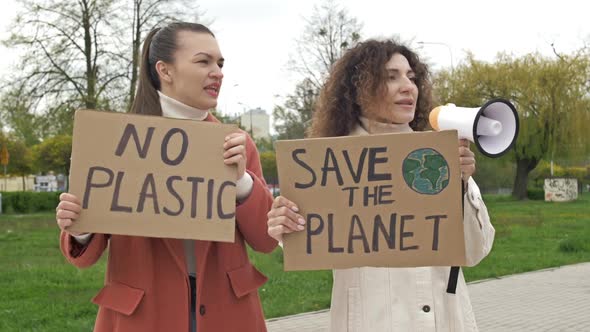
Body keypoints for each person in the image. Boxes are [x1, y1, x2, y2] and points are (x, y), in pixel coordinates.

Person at [56, 22, 277, 332]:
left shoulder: (237, 143)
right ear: (165, 70)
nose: (218, 72)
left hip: (228, 314)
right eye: (203, 61)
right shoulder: (114, 140)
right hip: (142, 316)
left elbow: (266, 241)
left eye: (220, 63)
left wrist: (241, 183)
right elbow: (83, 256)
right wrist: (79, 228)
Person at [267, 39, 495, 331]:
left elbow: (475, 251)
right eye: (391, 77)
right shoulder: (329, 165)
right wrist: (284, 224)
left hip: (444, 319)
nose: (407, 86)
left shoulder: (437, 158)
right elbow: (310, 242)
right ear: (359, 90)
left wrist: (461, 188)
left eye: (411, 78)